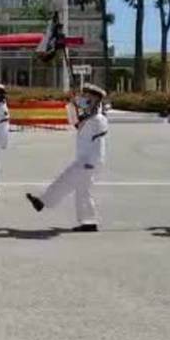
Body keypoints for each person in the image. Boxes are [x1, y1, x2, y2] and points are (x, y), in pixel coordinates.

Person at [25, 84, 109, 232]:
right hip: (85, 160)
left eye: (87, 97)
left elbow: (86, 131)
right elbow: (75, 122)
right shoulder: (90, 116)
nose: (84, 99)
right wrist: (72, 104)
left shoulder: (99, 119)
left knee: (65, 179)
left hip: (89, 162)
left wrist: (91, 163)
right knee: (83, 191)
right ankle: (89, 222)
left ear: (95, 100)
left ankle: (43, 201)